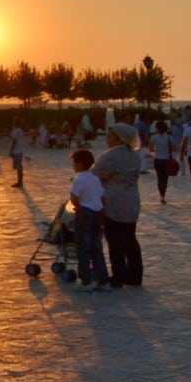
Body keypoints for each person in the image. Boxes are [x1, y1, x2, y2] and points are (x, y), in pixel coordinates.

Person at [95, 123, 143, 288]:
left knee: (114, 240)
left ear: (118, 138)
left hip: (114, 202)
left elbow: (96, 175)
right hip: (132, 200)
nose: (106, 139)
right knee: (130, 239)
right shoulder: (134, 156)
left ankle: (119, 276)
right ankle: (135, 276)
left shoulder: (110, 156)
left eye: (109, 136)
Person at [68, 149, 109, 291]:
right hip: (97, 213)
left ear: (79, 164)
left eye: (74, 162)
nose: (73, 165)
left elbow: (74, 198)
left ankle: (86, 282)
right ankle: (103, 281)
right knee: (96, 248)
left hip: (85, 213)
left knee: (83, 249)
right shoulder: (95, 178)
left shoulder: (78, 179)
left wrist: (77, 207)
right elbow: (101, 196)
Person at [149, 119, 176, 204]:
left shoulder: (154, 137)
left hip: (157, 159)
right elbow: (173, 148)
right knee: (165, 178)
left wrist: (156, 150)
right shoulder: (169, 137)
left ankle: (161, 195)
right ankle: (163, 196)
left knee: (159, 178)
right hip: (166, 160)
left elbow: (150, 148)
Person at [8, 117, 26, 188]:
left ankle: (20, 182)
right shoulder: (20, 130)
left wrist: (11, 151)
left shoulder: (16, 131)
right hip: (20, 151)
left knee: (19, 168)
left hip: (17, 151)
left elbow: (14, 142)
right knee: (19, 167)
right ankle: (20, 182)